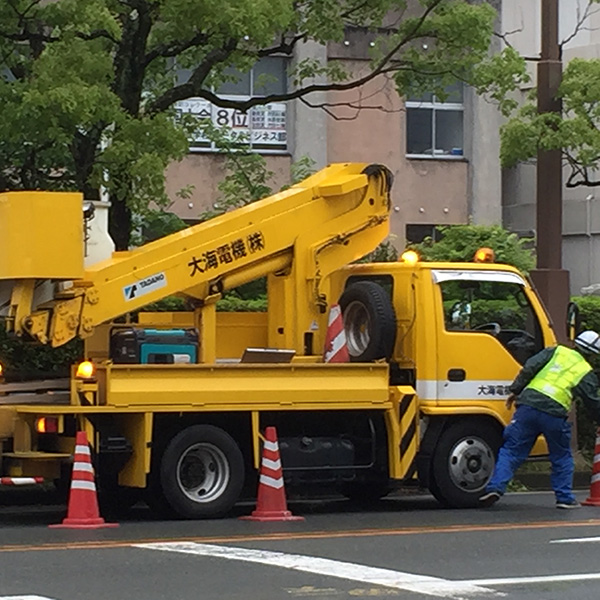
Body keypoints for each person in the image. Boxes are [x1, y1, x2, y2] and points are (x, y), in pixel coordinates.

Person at [479, 330, 600, 509]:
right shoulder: (585, 371)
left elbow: (530, 366)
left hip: (528, 406)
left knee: (511, 450)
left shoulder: (555, 351)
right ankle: (564, 498)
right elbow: (592, 400)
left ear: (575, 343)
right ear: (593, 354)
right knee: (561, 456)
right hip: (554, 413)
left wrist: (516, 389)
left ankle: (495, 487)